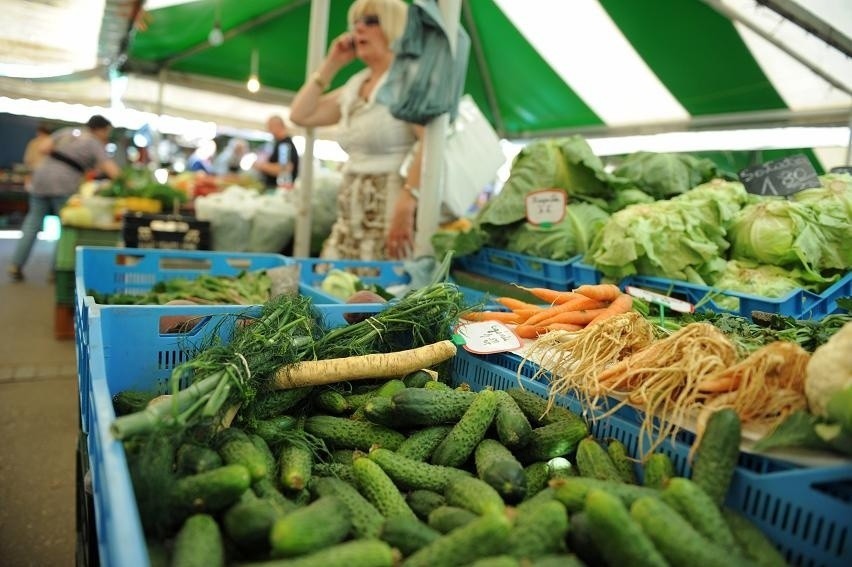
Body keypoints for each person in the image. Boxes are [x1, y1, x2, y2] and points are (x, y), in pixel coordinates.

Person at [289, 0, 423, 261]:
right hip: (350, 218)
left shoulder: (410, 81)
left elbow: (429, 144)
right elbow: (300, 114)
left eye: (370, 21)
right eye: (356, 23)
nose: (358, 28)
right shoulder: (356, 84)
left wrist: (408, 202)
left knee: (379, 293)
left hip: (391, 215)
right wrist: (331, 63)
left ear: (395, 26)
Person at [8, 115, 121, 282]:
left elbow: (43, 148)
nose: (106, 136)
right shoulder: (93, 143)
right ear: (100, 129)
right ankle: (56, 271)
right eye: (106, 132)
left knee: (32, 223)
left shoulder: (67, 132)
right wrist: (125, 181)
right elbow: (111, 169)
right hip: (63, 183)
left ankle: (16, 264)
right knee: (64, 227)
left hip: (41, 178)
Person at [254, 116, 300, 188]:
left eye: (270, 127)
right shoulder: (280, 144)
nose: (269, 131)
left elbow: (285, 169)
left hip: (279, 190)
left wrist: (261, 166)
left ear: (278, 126)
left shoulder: (284, 144)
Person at [22, 122, 53, 188]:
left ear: (39, 131)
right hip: (48, 172)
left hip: (34, 171)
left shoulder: (33, 142)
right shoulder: (52, 142)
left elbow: (27, 158)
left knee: (34, 191)